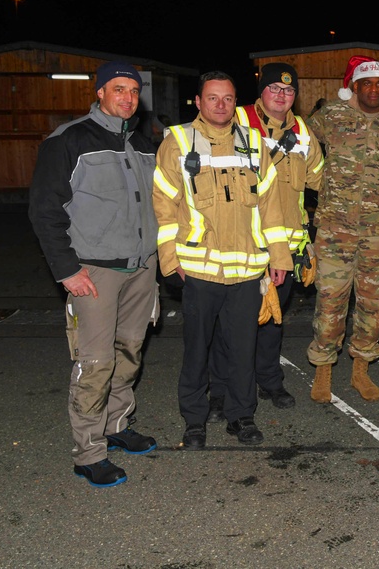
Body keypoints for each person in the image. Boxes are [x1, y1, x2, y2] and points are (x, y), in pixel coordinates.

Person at [28, 61, 160, 488]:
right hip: (93, 273)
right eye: (118, 89)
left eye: (134, 91)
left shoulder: (142, 144)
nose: (127, 97)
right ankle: (88, 452)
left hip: (141, 268)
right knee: (95, 363)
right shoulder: (68, 140)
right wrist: (67, 271)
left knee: (130, 352)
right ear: (100, 92)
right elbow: (45, 211)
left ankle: (117, 425)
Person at [153, 71, 293, 449]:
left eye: (228, 98)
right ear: (198, 102)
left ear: (236, 102)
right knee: (197, 350)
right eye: (212, 98)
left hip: (247, 270)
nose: (221, 105)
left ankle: (241, 416)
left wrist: (279, 257)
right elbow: (164, 207)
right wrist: (170, 261)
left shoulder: (254, 143)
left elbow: (272, 207)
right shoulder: (178, 142)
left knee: (242, 349)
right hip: (199, 269)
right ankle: (194, 421)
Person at [204, 63, 324, 421]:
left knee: (272, 321)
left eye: (288, 91)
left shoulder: (303, 131)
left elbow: (321, 181)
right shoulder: (236, 120)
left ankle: (270, 380)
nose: (282, 95)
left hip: (283, 249)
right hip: (238, 244)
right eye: (274, 88)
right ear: (261, 90)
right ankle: (221, 391)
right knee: (229, 327)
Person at [305, 55, 379, 403]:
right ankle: (323, 370)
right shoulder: (332, 116)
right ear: (354, 87)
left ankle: (360, 371)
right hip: (335, 230)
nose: (374, 89)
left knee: (374, 304)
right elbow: (300, 147)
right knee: (330, 299)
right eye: (367, 83)